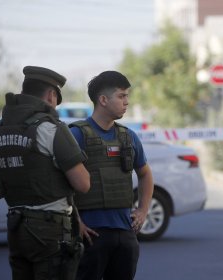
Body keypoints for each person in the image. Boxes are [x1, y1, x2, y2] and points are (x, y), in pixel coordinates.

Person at [0, 66, 91, 280]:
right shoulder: (51, 129)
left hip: (16, 229)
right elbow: (83, 184)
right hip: (49, 231)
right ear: (52, 95)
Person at [69, 70, 154, 280]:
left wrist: (143, 211)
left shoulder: (128, 136)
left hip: (124, 232)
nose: (127, 102)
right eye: (121, 96)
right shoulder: (76, 135)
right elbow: (61, 182)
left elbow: (145, 174)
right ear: (103, 100)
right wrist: (76, 222)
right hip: (91, 233)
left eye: (127, 96)